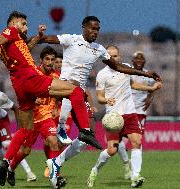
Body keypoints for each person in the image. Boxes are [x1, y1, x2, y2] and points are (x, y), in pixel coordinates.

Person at [0, 11, 103, 186]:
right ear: (13, 23)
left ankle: (6, 162)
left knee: (24, 130)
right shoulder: (11, 32)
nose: (26, 27)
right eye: (23, 23)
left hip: (19, 86)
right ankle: (86, 131)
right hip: (31, 79)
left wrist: (38, 37)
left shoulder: (14, 43)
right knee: (76, 91)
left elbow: (25, 48)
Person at [40, 16, 161, 188]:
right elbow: (46, 39)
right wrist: (33, 38)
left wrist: (146, 74)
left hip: (79, 95)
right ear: (84, 27)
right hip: (66, 90)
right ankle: (60, 128)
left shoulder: (98, 49)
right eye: (92, 28)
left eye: (97, 29)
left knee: (86, 138)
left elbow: (119, 67)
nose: (95, 32)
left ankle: (56, 163)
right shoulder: (71, 39)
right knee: (86, 134)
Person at [87, 45, 159, 188]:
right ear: (105, 58)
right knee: (112, 150)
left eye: (116, 56)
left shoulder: (125, 67)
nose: (113, 58)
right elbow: (100, 97)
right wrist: (107, 100)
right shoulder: (102, 75)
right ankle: (95, 170)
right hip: (114, 116)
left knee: (137, 142)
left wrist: (150, 88)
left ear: (119, 57)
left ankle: (135, 176)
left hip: (130, 113)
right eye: (110, 56)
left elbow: (133, 84)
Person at [5, 46, 68, 187]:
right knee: (26, 151)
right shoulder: (33, 73)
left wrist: (57, 108)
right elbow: (23, 90)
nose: (50, 62)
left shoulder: (56, 76)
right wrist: (32, 98)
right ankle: (10, 169)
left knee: (53, 141)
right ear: (41, 60)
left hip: (46, 116)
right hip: (31, 117)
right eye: (47, 59)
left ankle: (55, 178)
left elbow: (60, 94)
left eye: (52, 59)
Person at [117, 51, 163, 180]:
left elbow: (155, 86)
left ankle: (135, 172)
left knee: (137, 141)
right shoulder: (128, 72)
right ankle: (127, 163)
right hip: (125, 110)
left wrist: (150, 98)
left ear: (144, 61)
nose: (139, 60)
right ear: (132, 61)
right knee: (118, 141)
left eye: (141, 59)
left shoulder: (148, 74)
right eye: (136, 58)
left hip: (140, 112)